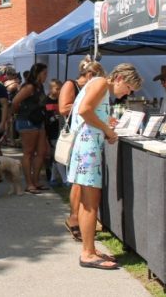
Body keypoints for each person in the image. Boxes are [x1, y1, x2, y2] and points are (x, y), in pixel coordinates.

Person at [70, 63, 142, 270]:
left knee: (87, 202)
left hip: (86, 146)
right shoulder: (101, 82)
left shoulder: (97, 84)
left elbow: (86, 111)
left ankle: (89, 248)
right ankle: (88, 253)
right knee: (92, 202)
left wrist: (104, 125)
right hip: (88, 148)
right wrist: (108, 131)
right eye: (128, 88)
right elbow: (85, 110)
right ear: (119, 78)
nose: (126, 93)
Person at [59, 57, 106, 241]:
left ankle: (80, 218)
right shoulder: (71, 85)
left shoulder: (89, 87)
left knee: (80, 182)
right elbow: (64, 108)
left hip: (85, 132)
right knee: (77, 181)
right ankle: (74, 217)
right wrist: (90, 102)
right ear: (88, 74)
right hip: (76, 133)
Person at [12, 63, 50, 194]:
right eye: (44, 73)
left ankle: (36, 181)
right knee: (28, 153)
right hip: (27, 122)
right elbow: (15, 101)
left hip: (39, 121)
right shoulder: (29, 87)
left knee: (41, 152)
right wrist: (19, 113)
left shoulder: (40, 87)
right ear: (38, 73)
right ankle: (29, 183)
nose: (46, 76)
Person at [44, 79, 63, 186]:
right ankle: (50, 174)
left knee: (57, 153)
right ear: (51, 89)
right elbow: (44, 119)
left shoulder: (61, 100)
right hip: (50, 131)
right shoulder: (46, 101)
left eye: (61, 88)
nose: (60, 91)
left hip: (60, 130)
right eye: (57, 88)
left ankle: (54, 177)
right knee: (51, 154)